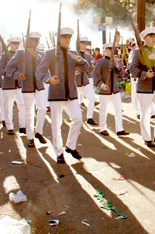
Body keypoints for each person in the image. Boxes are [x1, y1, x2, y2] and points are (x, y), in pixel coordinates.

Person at [36, 27, 89, 163]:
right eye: (65, 37)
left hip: (71, 93)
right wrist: (48, 79)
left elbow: (86, 68)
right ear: (58, 39)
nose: (67, 40)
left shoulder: (73, 53)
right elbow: (39, 72)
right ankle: (59, 152)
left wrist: (78, 59)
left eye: (69, 38)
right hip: (56, 93)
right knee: (56, 124)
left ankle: (70, 146)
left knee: (77, 119)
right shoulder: (49, 53)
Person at [6, 32, 47, 146]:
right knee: (29, 112)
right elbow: (9, 68)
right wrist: (17, 74)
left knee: (43, 109)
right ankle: (30, 137)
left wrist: (36, 56)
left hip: (39, 85)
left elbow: (45, 67)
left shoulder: (41, 54)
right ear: (28, 41)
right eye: (33, 40)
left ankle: (39, 132)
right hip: (27, 86)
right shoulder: (20, 53)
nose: (36, 42)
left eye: (37, 40)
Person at [93, 41, 129, 137]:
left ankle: (119, 129)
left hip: (115, 90)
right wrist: (101, 85)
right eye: (110, 49)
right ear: (105, 50)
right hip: (105, 90)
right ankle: (102, 128)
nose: (112, 52)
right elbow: (95, 76)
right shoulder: (100, 61)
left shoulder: (117, 61)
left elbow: (122, 74)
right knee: (103, 110)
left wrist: (117, 66)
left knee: (118, 109)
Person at [0, 37, 25, 135]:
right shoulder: (4, 56)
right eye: (14, 44)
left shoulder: (22, 55)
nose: (16, 46)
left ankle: (22, 126)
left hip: (19, 84)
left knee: (22, 105)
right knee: (8, 107)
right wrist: (10, 74)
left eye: (18, 44)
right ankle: (9, 126)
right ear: (9, 45)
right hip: (8, 84)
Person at [76, 36, 98, 126]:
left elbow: (92, 67)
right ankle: (78, 118)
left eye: (86, 43)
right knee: (75, 102)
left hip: (85, 80)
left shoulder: (88, 56)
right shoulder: (74, 54)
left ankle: (90, 117)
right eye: (83, 43)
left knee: (92, 98)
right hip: (76, 82)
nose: (85, 45)